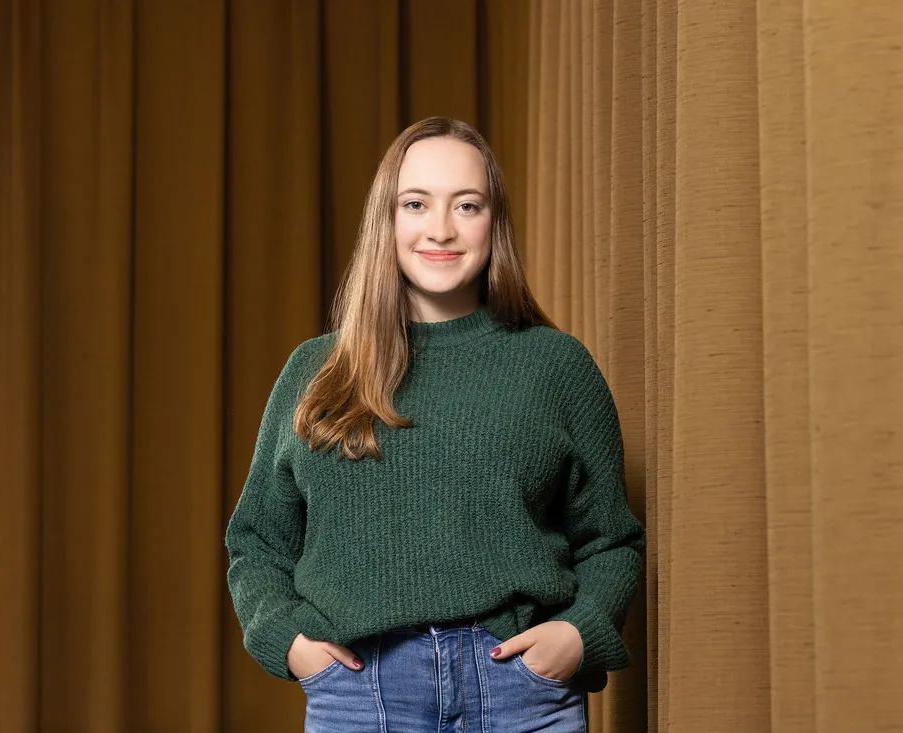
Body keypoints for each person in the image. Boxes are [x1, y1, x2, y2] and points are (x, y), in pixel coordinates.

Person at [225, 116, 646, 732]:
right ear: (386, 220)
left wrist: (579, 635)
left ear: (494, 221)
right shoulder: (317, 369)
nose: (441, 229)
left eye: (467, 205)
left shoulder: (555, 366)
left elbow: (611, 540)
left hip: (520, 691)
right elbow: (257, 540)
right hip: (361, 693)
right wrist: (287, 640)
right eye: (416, 203)